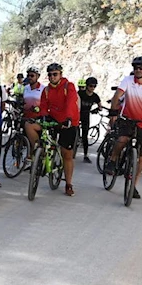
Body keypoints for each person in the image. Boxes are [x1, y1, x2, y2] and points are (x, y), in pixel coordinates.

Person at [105, 56, 142, 199]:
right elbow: (117, 96)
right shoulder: (127, 81)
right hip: (127, 119)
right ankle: (113, 160)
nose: (138, 70)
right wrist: (113, 111)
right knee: (122, 139)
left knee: (140, 157)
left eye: (141, 68)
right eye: (135, 68)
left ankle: (134, 185)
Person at [38, 63, 80, 196]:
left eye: (55, 74)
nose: (52, 77)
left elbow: (70, 103)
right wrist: (43, 115)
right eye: (49, 74)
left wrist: (68, 117)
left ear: (60, 74)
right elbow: (43, 105)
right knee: (42, 137)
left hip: (68, 122)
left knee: (66, 154)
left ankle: (68, 184)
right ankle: (41, 158)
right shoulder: (46, 90)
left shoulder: (69, 86)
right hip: (53, 120)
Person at [79, 76, 102, 163]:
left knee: (85, 136)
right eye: (90, 86)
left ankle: (85, 155)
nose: (92, 88)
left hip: (86, 115)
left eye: (94, 86)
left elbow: (100, 106)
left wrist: (97, 109)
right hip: (77, 114)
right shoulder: (81, 93)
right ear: (87, 86)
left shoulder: (95, 96)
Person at [22, 66, 45, 149]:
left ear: (37, 77)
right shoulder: (26, 88)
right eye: (28, 76)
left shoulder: (43, 89)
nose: (29, 78)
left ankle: (37, 151)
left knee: (34, 145)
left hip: (37, 118)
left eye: (32, 76)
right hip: (26, 117)